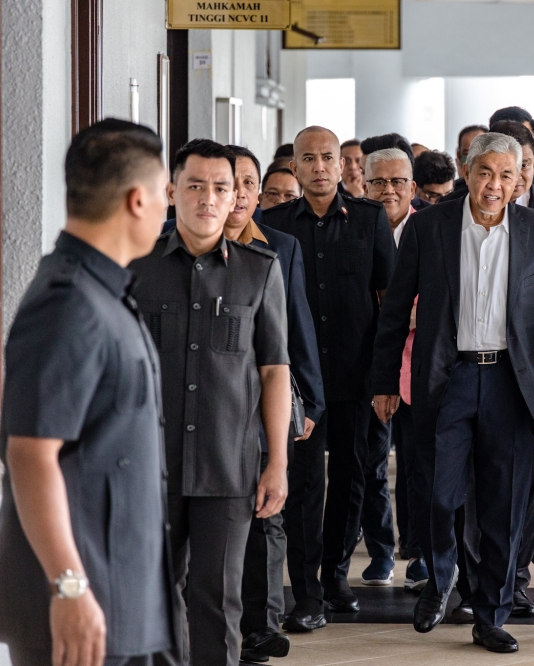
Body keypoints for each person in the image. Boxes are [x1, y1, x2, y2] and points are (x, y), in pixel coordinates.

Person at [370, 132, 534, 654]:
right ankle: (442, 576)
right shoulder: (429, 226)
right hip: (447, 377)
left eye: (506, 175)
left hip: (512, 383)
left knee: (503, 502)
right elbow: (395, 310)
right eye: (484, 173)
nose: (494, 185)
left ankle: (491, 613)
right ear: (467, 174)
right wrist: (385, 381)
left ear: (519, 180)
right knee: (439, 493)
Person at [0, 119, 178, 666]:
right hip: (81, 607)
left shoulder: (105, 291)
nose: (168, 205)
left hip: (123, 595)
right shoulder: (68, 302)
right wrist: (69, 586)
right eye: (165, 191)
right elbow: (30, 453)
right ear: (136, 200)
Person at [130, 139, 292, 666]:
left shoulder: (260, 269)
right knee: (150, 601)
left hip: (228, 466)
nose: (208, 198)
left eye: (221, 187)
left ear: (236, 196)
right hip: (147, 465)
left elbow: (274, 371)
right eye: (195, 186)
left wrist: (277, 462)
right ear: (171, 191)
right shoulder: (136, 265)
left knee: (218, 602)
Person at [263, 126, 394, 631]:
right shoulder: (273, 224)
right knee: (301, 483)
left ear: (343, 165)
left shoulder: (368, 219)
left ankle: (336, 575)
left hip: (354, 373)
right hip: (295, 380)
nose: (319, 167)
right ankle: (306, 591)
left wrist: (384, 377)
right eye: (308, 158)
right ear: (293, 167)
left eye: (327, 157)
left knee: (351, 476)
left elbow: (389, 301)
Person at [450, 120, 534, 619]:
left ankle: (510, 583)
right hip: (465, 369)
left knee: (522, 485)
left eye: (521, 167)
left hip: (529, 373)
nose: (510, 179)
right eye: (495, 169)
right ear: (471, 169)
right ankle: (469, 582)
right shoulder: (452, 219)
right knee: (466, 489)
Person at [208, 146, 324, 666]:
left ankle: (263, 625)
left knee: (266, 514)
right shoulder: (180, 244)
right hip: (207, 404)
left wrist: (311, 400)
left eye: (248, 184)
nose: (239, 194)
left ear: (257, 193)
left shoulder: (281, 246)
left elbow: (297, 326)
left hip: (264, 402)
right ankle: (221, 625)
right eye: (229, 183)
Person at [355, 147, 422, 588]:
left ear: (412, 187)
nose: (388, 190)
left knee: (418, 467)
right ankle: (381, 551)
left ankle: (418, 552)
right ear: (364, 186)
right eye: (378, 182)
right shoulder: (356, 228)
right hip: (371, 363)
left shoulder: (431, 227)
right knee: (371, 463)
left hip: (419, 366)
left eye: (397, 182)